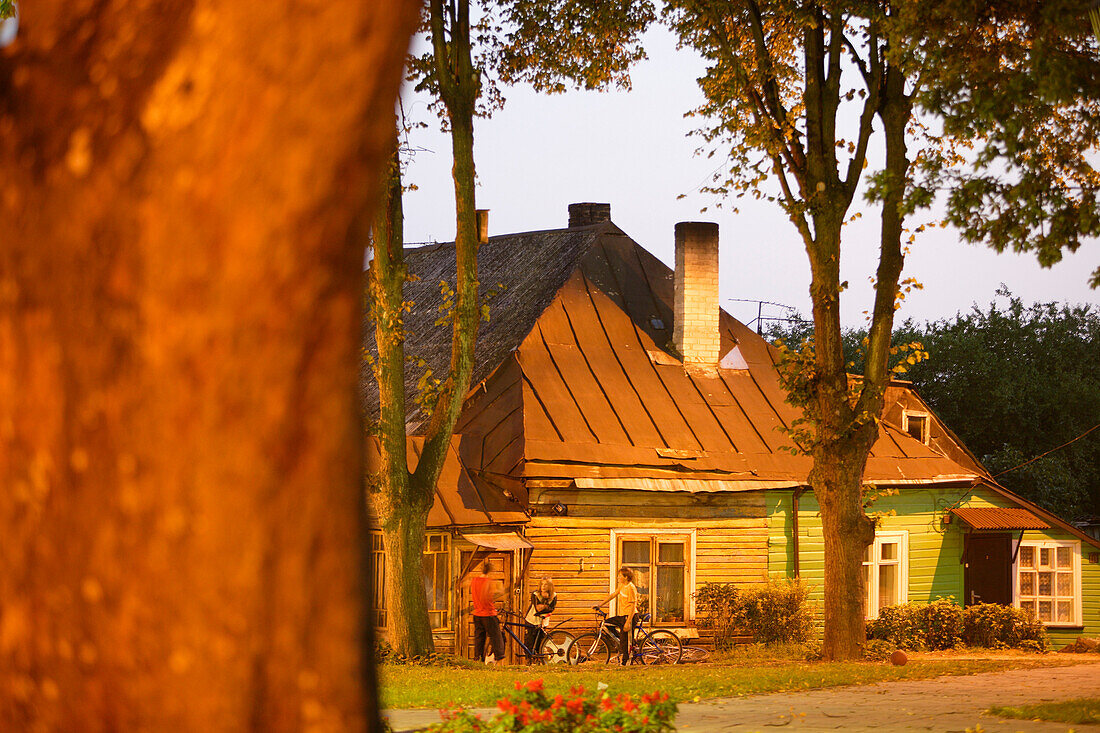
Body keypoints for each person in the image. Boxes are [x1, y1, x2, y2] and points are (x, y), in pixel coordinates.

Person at [596, 566, 638, 665]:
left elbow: (633, 605)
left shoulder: (631, 588)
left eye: (620, 576)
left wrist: (628, 623)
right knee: (606, 623)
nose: (618, 578)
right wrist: (600, 605)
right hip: (622, 616)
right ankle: (621, 638)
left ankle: (626, 662)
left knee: (626, 642)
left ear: (626, 577)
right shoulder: (622, 586)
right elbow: (613, 595)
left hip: (630, 616)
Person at [470, 560, 505, 665]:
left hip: (477, 614)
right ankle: (500, 660)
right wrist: (499, 589)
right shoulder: (489, 582)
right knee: (496, 637)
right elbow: (490, 595)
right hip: (488, 614)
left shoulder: (474, 580)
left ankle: (478, 660)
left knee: (479, 638)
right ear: (491, 571)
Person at [523, 577, 557, 662]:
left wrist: (544, 606)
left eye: (545, 585)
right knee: (529, 640)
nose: (543, 587)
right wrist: (546, 606)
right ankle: (529, 659)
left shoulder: (554, 595)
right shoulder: (535, 594)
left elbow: (551, 608)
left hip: (543, 621)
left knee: (541, 641)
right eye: (542, 584)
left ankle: (539, 659)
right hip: (532, 619)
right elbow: (537, 608)